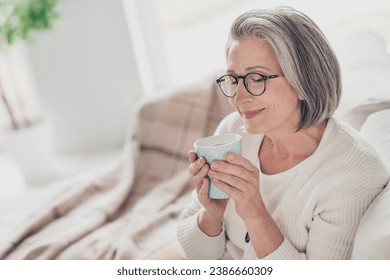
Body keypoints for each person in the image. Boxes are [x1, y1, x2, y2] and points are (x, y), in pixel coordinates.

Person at [176, 6, 389, 260]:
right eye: (234, 79)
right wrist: (211, 214)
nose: (239, 98)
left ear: (303, 82)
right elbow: (196, 257)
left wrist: (256, 214)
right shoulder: (233, 131)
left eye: (257, 78)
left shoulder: (353, 175)